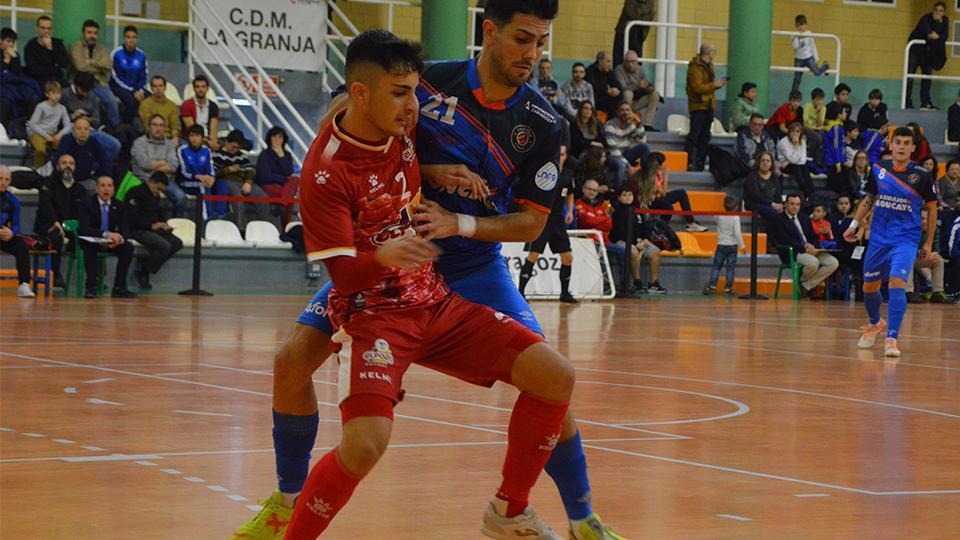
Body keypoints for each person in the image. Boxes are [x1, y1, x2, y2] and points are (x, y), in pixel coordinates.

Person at [233, 3, 624, 538]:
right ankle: (288, 502)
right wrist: (419, 164)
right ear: (489, 32)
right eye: (522, 39)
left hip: (472, 270)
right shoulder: (428, 82)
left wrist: (459, 222)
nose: (532, 54)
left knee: (553, 385)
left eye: (541, 42)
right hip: (388, 271)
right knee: (290, 363)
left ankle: (577, 518)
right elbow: (353, 100)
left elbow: (532, 225)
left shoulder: (544, 123)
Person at [843, 127, 939, 357]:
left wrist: (928, 243)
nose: (902, 147)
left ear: (913, 148)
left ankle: (891, 338)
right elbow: (868, 200)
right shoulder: (878, 169)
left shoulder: (922, 176)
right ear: (891, 145)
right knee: (869, 288)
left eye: (907, 143)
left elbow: (932, 209)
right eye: (898, 142)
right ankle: (876, 323)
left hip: (906, 239)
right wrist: (854, 225)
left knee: (896, 283)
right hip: (878, 238)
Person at [519, 145, 578, 304]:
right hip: (542, 218)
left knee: (568, 257)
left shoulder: (567, 175)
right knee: (533, 256)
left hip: (558, 220)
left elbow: (570, 194)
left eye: (563, 154)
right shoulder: (544, 172)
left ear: (566, 156)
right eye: (558, 154)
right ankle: (521, 293)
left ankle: (564, 293)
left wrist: (570, 211)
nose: (560, 157)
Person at [76, 175, 136, 298]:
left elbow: (125, 229)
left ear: (113, 189)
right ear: (97, 189)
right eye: (102, 186)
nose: (106, 189)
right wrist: (106, 234)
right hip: (92, 240)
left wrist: (119, 239)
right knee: (90, 247)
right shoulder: (86, 203)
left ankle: (119, 287)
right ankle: (91, 287)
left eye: (109, 186)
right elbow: (84, 229)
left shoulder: (119, 205)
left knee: (128, 247)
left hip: (111, 242)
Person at [773, 193, 839, 299]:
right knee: (813, 263)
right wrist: (804, 248)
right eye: (792, 204)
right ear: (785, 205)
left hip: (810, 249)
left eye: (798, 204)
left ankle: (805, 286)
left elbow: (813, 236)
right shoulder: (779, 219)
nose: (795, 207)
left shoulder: (804, 218)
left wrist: (815, 247)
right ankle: (804, 286)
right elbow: (784, 240)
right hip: (794, 252)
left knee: (833, 263)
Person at [33, 154, 85, 287]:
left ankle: (93, 279)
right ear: (57, 166)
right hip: (48, 225)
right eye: (64, 163)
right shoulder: (48, 183)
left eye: (71, 163)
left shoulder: (79, 188)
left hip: (69, 226)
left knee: (88, 235)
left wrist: (69, 225)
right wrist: (55, 221)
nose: (67, 166)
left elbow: (80, 213)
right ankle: (55, 274)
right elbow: (45, 206)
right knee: (56, 237)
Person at [125, 171, 182, 290]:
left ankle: (147, 266)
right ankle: (144, 271)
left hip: (154, 228)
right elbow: (131, 217)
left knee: (177, 243)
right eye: (158, 188)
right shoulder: (135, 192)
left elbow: (159, 214)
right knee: (164, 246)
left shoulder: (155, 195)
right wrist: (151, 226)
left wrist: (165, 224)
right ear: (151, 182)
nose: (159, 192)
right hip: (138, 229)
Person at [60, 72, 122, 164]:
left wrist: (87, 120)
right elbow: (57, 117)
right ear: (76, 85)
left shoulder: (92, 95)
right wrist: (73, 116)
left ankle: (95, 168)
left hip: (89, 129)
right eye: (82, 90)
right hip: (70, 128)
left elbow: (97, 120)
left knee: (115, 145)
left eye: (87, 91)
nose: (85, 94)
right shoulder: (64, 94)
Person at [69, 19, 120, 129]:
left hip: (99, 82)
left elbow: (108, 65)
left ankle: (113, 129)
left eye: (95, 33)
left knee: (112, 100)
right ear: (84, 33)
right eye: (89, 32)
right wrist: (99, 67)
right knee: (92, 102)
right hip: (82, 82)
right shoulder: (76, 46)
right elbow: (80, 66)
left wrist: (91, 62)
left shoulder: (102, 49)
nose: (92, 36)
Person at [131, 114, 185, 217]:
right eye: (155, 125)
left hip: (164, 181)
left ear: (164, 128)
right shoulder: (139, 142)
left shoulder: (169, 144)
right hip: (143, 179)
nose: (158, 128)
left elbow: (173, 166)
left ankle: (176, 225)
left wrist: (153, 165)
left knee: (180, 196)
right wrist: (164, 162)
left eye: (161, 125)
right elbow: (144, 163)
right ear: (149, 127)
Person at [214, 129, 270, 228]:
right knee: (238, 198)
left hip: (243, 182)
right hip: (226, 181)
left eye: (238, 147)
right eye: (233, 146)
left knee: (263, 198)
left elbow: (250, 171)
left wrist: (248, 182)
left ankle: (263, 227)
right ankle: (241, 229)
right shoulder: (217, 155)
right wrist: (228, 170)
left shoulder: (242, 156)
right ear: (227, 142)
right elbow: (213, 173)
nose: (235, 149)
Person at [640, 152, 707, 232]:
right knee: (668, 207)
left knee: (681, 193)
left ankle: (691, 223)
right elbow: (663, 193)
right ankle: (660, 228)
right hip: (650, 203)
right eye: (663, 162)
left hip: (657, 198)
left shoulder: (656, 173)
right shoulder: (650, 176)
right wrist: (666, 176)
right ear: (658, 164)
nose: (665, 164)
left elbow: (660, 193)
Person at [685, 44, 725, 171]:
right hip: (698, 105)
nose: (714, 54)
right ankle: (689, 161)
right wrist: (714, 85)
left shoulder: (709, 66)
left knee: (705, 136)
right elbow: (697, 87)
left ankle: (700, 162)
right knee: (695, 134)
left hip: (708, 105)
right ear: (709, 52)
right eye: (714, 51)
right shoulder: (695, 67)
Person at [0, 165, 36, 298]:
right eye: (0, 178)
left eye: (6, 179)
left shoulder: (13, 201)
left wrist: (11, 233)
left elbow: (16, 225)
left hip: (4, 235)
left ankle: (24, 284)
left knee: (21, 245)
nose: (3, 182)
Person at [905, 1, 949, 110]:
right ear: (932, 10)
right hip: (915, 51)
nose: (938, 13)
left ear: (943, 13)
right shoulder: (925, 18)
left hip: (928, 53)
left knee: (927, 77)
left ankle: (925, 103)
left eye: (941, 11)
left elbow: (944, 36)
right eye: (936, 10)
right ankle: (907, 102)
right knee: (910, 77)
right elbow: (929, 34)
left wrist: (938, 33)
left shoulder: (945, 20)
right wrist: (938, 35)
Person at [178, 124, 227, 220]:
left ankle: (220, 216)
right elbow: (184, 172)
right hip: (187, 182)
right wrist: (199, 177)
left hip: (204, 181)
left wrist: (211, 178)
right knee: (204, 187)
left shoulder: (207, 150)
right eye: (191, 136)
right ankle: (206, 221)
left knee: (222, 185)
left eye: (197, 136)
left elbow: (210, 169)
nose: (194, 139)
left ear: (202, 138)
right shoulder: (182, 150)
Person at [255, 126, 299, 228]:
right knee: (290, 201)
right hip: (269, 185)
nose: (277, 140)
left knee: (295, 180)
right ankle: (285, 228)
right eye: (274, 137)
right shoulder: (264, 155)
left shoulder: (286, 155)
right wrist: (284, 178)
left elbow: (289, 172)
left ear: (284, 140)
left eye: (280, 137)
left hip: (284, 187)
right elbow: (265, 176)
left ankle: (281, 204)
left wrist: (281, 156)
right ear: (270, 138)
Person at [610, 183, 650, 295]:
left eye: (630, 194)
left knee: (655, 251)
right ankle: (637, 282)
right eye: (624, 195)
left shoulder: (638, 210)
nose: (627, 197)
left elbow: (645, 226)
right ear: (619, 197)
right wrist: (635, 243)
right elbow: (620, 232)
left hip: (639, 241)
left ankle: (654, 284)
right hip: (621, 241)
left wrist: (645, 239)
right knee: (633, 252)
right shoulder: (617, 212)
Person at [53, 117, 110, 190]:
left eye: (86, 129)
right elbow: (57, 161)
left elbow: (105, 161)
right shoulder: (66, 141)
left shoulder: (93, 142)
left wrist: (102, 176)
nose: (83, 131)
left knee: (98, 188)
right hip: (67, 180)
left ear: (90, 131)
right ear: (73, 131)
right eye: (79, 129)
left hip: (85, 179)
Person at [703, 195, 744, 295]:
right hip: (732, 245)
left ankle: (712, 286)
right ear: (735, 207)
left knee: (716, 267)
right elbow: (737, 233)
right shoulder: (735, 218)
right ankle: (728, 288)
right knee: (730, 268)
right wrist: (742, 245)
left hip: (721, 244)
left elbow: (715, 218)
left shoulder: (720, 216)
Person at [1, 27, 42, 123]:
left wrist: (14, 58)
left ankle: (28, 125)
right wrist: (6, 61)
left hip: (14, 83)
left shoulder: (15, 55)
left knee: (33, 96)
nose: (11, 44)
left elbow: (18, 74)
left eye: (13, 42)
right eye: (8, 41)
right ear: (1, 41)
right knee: (5, 100)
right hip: (3, 84)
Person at [27, 80, 72, 168]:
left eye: (58, 93)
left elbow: (68, 125)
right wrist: (45, 136)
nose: (56, 96)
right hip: (37, 133)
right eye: (53, 93)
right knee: (40, 150)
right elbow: (32, 124)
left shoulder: (62, 108)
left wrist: (59, 135)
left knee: (63, 149)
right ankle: (38, 169)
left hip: (53, 134)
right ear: (47, 94)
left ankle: (56, 168)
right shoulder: (41, 106)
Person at [603, 101, 649, 186]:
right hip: (611, 157)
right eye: (622, 110)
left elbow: (642, 140)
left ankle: (645, 178)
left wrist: (638, 122)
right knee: (621, 165)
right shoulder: (610, 126)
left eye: (628, 110)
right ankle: (617, 193)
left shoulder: (629, 126)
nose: (625, 113)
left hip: (624, 155)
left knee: (645, 147)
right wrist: (628, 166)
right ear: (617, 112)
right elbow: (613, 151)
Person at [109, 25, 148, 126]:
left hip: (137, 88)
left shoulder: (141, 55)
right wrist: (133, 91)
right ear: (124, 38)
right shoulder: (116, 54)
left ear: (137, 38)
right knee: (132, 103)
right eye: (128, 37)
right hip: (118, 86)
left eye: (134, 37)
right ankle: (126, 128)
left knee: (151, 100)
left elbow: (144, 75)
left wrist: (140, 90)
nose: (131, 40)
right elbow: (115, 76)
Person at [614, 50, 660, 130]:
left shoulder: (641, 69)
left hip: (638, 101)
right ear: (624, 62)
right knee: (628, 93)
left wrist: (650, 87)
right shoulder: (619, 69)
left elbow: (645, 84)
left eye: (633, 62)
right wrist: (638, 85)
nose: (630, 64)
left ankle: (647, 124)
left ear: (637, 62)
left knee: (655, 94)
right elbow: (622, 87)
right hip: (624, 102)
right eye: (628, 62)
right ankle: (626, 120)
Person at [24, 15, 71, 87]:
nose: (46, 31)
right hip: (39, 81)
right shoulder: (30, 46)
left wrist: (50, 48)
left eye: (49, 28)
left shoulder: (57, 43)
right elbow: (33, 70)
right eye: (43, 28)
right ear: (37, 28)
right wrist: (55, 68)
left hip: (57, 80)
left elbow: (64, 64)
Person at [790, 14, 830, 94]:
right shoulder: (793, 35)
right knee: (797, 79)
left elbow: (813, 46)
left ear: (805, 25)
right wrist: (797, 37)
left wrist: (816, 58)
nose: (800, 27)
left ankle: (826, 66)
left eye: (802, 25)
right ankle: (793, 95)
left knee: (817, 72)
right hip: (798, 59)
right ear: (795, 26)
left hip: (808, 58)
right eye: (798, 25)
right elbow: (795, 46)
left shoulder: (809, 34)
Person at [743, 150, 784, 223]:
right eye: (763, 160)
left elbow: (778, 194)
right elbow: (755, 195)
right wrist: (772, 204)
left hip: (771, 204)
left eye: (768, 161)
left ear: (771, 163)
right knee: (773, 213)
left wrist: (780, 205)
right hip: (755, 203)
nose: (765, 163)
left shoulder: (774, 176)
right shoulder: (752, 175)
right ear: (758, 162)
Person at [181, 75, 220, 150]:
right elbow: (192, 130)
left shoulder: (213, 106)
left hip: (208, 140)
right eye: (197, 87)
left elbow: (213, 129)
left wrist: (212, 142)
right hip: (192, 138)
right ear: (194, 88)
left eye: (203, 87)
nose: (200, 89)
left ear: (207, 88)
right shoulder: (187, 105)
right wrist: (207, 142)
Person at [138, 75, 179, 144]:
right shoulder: (145, 104)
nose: (158, 89)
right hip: (153, 138)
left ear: (165, 87)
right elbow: (148, 127)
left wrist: (175, 137)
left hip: (170, 137)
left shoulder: (172, 105)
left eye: (160, 86)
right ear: (151, 88)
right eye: (155, 86)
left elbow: (175, 125)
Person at [777, 121, 813, 199]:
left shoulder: (803, 142)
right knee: (796, 167)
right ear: (789, 132)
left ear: (801, 133)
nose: (795, 133)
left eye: (797, 131)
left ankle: (812, 194)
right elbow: (793, 160)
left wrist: (791, 160)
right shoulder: (783, 142)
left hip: (791, 164)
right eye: (793, 131)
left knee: (804, 167)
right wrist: (796, 146)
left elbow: (803, 160)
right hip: (784, 166)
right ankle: (807, 193)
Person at [585, 51, 623, 118]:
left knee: (618, 96)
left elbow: (618, 86)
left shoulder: (608, 71)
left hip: (604, 97)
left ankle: (612, 122)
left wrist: (616, 91)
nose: (610, 64)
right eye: (608, 61)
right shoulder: (590, 71)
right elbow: (593, 89)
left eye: (611, 62)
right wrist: (608, 92)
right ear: (600, 61)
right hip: (593, 99)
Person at [823, 103, 848, 195]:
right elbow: (836, 146)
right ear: (839, 115)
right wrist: (838, 163)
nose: (846, 114)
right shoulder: (836, 128)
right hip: (833, 161)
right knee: (834, 186)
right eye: (844, 112)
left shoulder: (838, 126)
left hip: (836, 160)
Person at [802, 87, 827, 160]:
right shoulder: (807, 106)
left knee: (824, 135)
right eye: (817, 99)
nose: (820, 102)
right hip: (807, 129)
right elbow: (804, 125)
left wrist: (819, 112)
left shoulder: (823, 108)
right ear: (813, 100)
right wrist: (817, 128)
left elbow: (820, 124)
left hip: (816, 130)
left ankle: (816, 157)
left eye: (821, 99)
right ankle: (809, 155)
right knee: (819, 138)